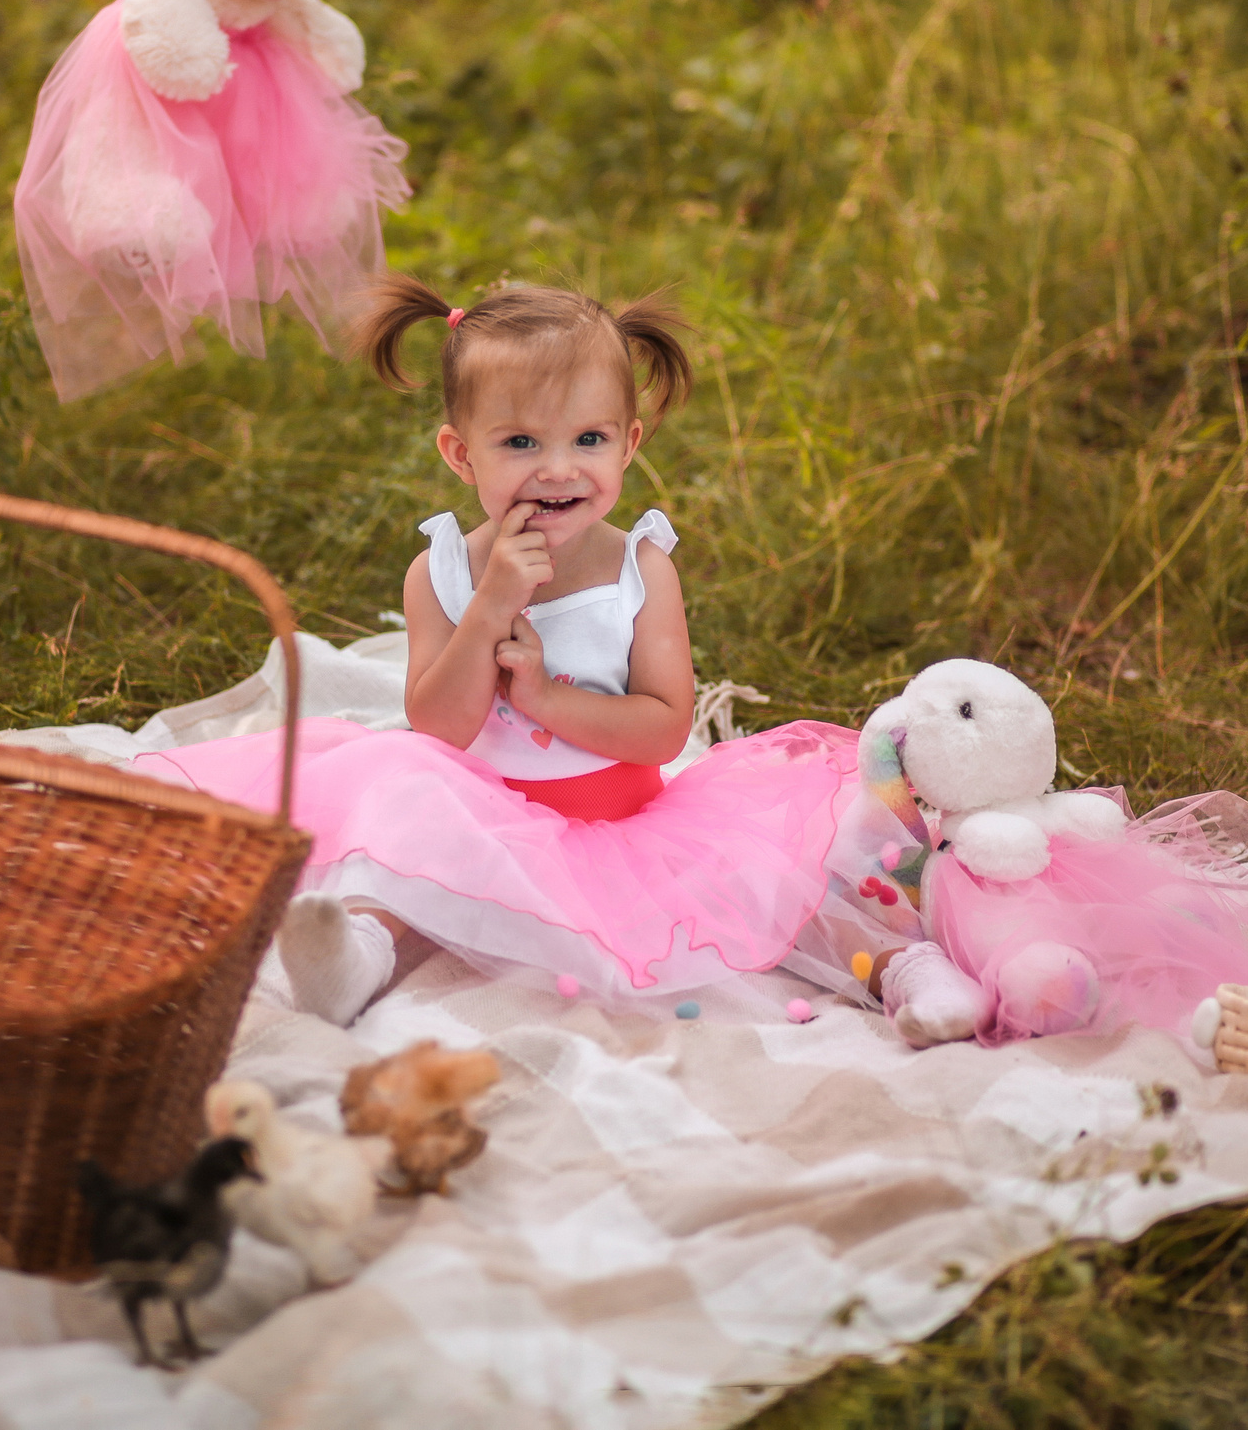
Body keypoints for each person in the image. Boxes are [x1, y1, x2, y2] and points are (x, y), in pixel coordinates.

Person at [134, 274, 978, 1031]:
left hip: (624, 823)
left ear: (629, 443)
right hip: (487, 819)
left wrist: (544, 698)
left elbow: (663, 727)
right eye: (520, 443)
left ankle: (904, 967)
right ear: (460, 453)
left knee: (774, 881)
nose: (558, 469)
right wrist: (491, 603)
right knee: (401, 822)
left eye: (588, 440)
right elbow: (437, 728)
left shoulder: (640, 570)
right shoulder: (441, 573)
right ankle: (355, 958)